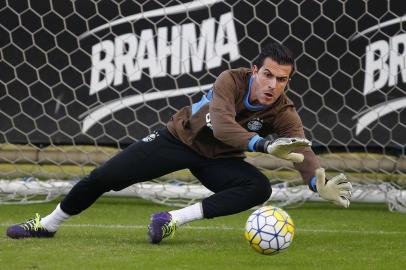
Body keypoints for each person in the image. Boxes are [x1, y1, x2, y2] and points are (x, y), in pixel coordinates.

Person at [6, 43, 352, 243]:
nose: (273, 85)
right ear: (254, 71)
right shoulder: (229, 81)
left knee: (257, 188)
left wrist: (315, 178)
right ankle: (48, 224)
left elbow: (300, 147)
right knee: (103, 178)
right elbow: (224, 127)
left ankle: (172, 218)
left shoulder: (282, 108)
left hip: (219, 160)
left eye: (282, 79)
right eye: (268, 75)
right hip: (179, 139)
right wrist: (262, 145)